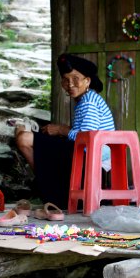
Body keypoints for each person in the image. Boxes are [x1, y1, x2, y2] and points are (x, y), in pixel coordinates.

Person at [14, 53, 115, 208]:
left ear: (87, 81)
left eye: (76, 79)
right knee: (27, 137)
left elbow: (88, 139)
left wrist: (61, 130)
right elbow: (83, 133)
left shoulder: (89, 103)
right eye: (66, 80)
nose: (70, 84)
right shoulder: (85, 100)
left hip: (91, 158)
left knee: (24, 139)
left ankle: (48, 185)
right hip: (84, 152)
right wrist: (61, 130)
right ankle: (47, 183)